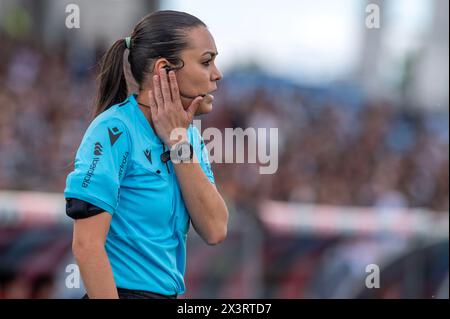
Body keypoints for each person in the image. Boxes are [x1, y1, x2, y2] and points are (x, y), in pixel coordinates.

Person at [64, 10, 228, 299]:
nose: (217, 74)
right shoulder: (114, 130)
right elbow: (87, 246)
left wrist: (178, 142)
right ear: (164, 69)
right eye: (206, 62)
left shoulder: (188, 136)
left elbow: (215, 229)